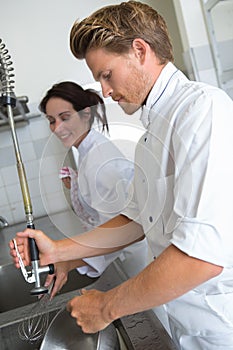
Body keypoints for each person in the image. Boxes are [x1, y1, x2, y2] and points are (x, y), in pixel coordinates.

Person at [10, 1, 233, 349]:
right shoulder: (150, 137)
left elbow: (201, 257)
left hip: (219, 326)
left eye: (106, 74)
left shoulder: (202, 111)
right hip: (184, 323)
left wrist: (106, 306)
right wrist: (58, 251)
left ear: (140, 51)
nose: (105, 91)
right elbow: (134, 221)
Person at [37, 81, 148, 296]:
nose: (57, 127)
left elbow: (119, 231)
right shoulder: (90, 152)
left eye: (65, 117)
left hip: (136, 263)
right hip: (127, 261)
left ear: (85, 114)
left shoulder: (98, 161)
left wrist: (66, 258)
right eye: (52, 121)